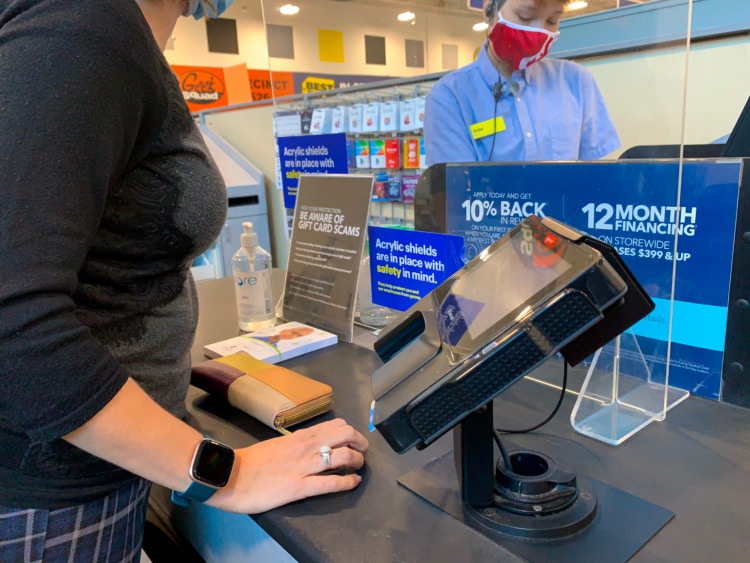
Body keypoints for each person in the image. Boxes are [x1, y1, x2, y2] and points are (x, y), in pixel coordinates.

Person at [0, 1, 368, 561]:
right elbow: (12, 322)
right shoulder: (83, 25)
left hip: (94, 468)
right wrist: (229, 473)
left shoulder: (105, 35)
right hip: (49, 498)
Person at [424, 0, 621, 166]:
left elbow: (596, 183)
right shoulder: (450, 98)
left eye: (552, 20)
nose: (539, 31)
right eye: (525, 17)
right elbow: (454, 197)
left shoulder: (576, 82)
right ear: (489, 7)